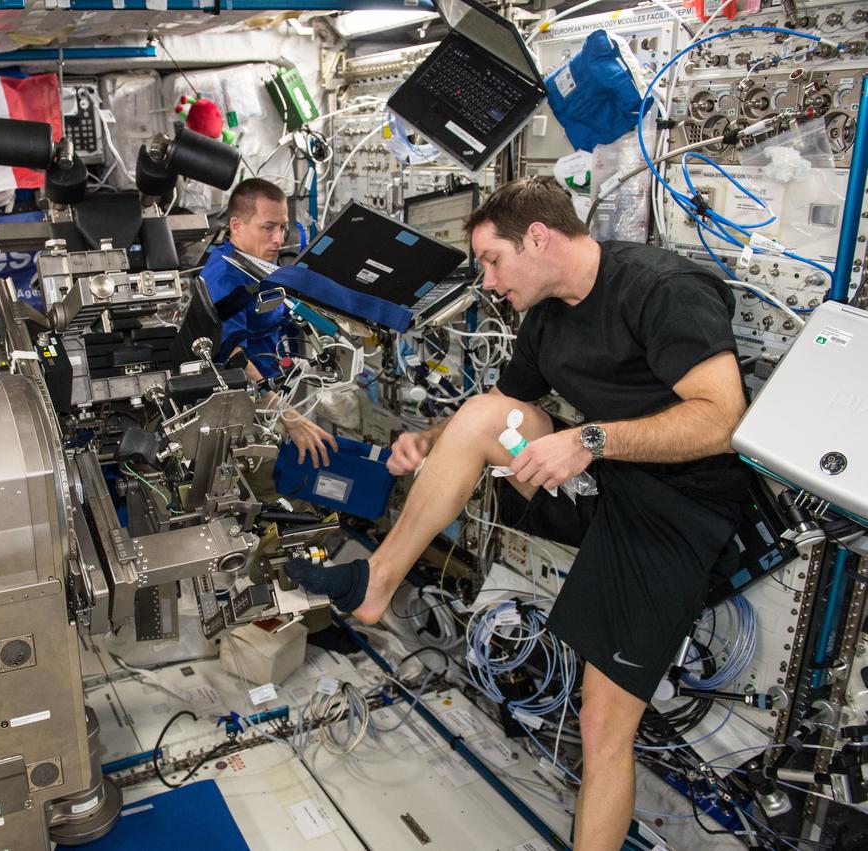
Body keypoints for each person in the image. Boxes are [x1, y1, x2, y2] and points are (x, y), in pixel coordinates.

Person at [286, 176, 751, 851]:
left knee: (601, 726)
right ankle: (376, 580)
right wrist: (432, 440)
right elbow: (503, 404)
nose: (487, 278)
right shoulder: (546, 319)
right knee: (483, 418)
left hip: (671, 516)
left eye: (491, 259)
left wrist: (589, 439)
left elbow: (720, 419)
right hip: (588, 485)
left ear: (537, 238)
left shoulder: (660, 288)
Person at [201, 177, 337, 467]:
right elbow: (230, 355)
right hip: (247, 409)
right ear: (237, 226)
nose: (279, 238)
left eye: (282, 227)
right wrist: (282, 411)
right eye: (268, 227)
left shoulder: (258, 263)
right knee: (275, 490)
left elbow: (279, 312)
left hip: (274, 391)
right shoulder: (224, 277)